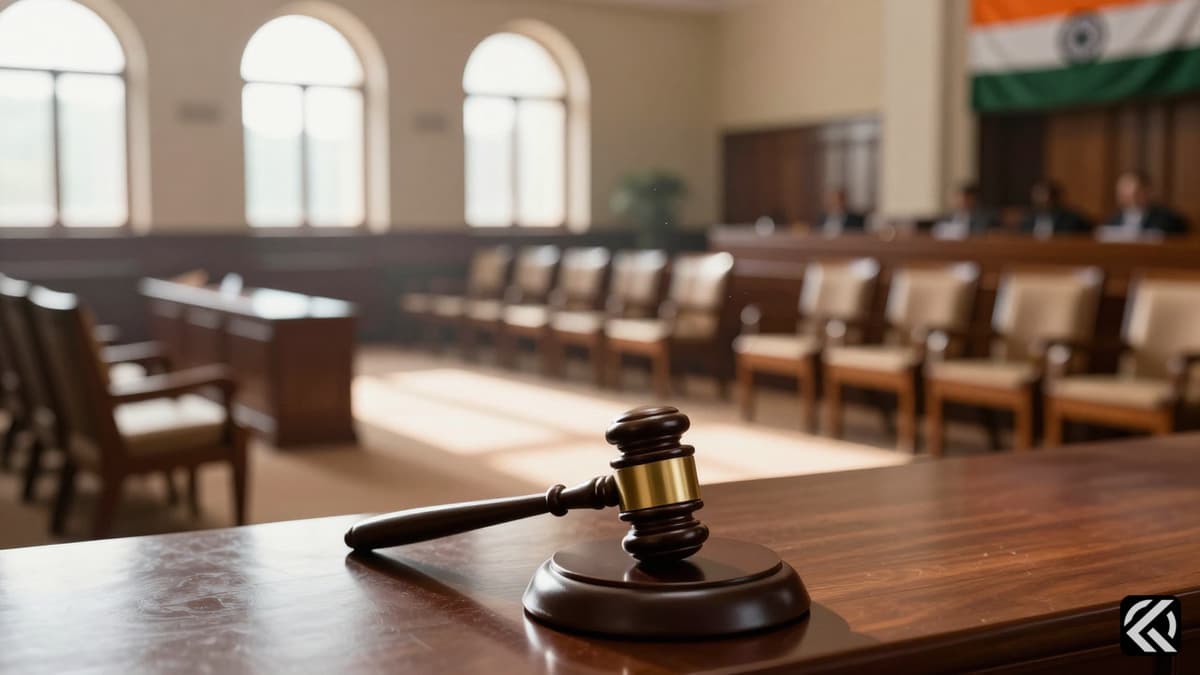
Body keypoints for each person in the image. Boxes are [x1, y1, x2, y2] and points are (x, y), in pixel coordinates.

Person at [1099, 171, 1188, 240]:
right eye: (1123, 193)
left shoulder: (1169, 219)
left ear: (1147, 191)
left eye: (1135, 193)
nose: (1129, 197)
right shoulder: (1113, 220)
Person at [1020, 180, 1092, 238]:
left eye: (1043, 194)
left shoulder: (1072, 219)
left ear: (1055, 198)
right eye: (1037, 195)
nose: (1040, 199)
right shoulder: (1027, 219)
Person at [932, 183, 997, 239]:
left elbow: (981, 233)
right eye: (959, 197)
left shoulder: (985, 218)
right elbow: (936, 232)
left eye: (967, 198)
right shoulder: (947, 217)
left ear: (975, 199)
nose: (962, 201)